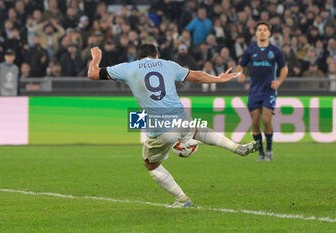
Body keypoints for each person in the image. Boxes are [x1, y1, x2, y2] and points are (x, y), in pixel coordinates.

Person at [87, 43, 258, 208]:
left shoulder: (128, 67)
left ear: (138, 57)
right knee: (197, 130)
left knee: (151, 164)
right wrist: (218, 79)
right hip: (180, 117)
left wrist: (96, 58)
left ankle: (182, 199)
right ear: (156, 56)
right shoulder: (168, 64)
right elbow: (196, 75)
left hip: (159, 126)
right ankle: (235, 147)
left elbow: (93, 74)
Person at [237, 22, 288, 161]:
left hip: (268, 91)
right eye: (259, 29)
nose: (262, 32)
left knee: (266, 120)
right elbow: (240, 66)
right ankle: (261, 153)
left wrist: (279, 82)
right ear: (256, 33)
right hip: (254, 91)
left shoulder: (275, 51)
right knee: (254, 123)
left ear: (269, 33)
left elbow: (284, 69)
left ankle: (269, 150)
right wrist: (240, 74)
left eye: (265, 30)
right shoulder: (250, 50)